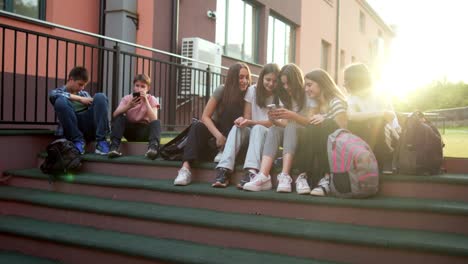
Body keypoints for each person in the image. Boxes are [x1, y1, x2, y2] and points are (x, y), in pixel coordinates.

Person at [243, 64, 318, 193]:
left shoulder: (308, 94)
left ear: (297, 81)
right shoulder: (286, 96)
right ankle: (263, 175)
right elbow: (285, 125)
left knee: (292, 125)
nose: (286, 87)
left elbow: (311, 122)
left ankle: (285, 175)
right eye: (283, 84)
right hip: (291, 135)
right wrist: (274, 121)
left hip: (307, 135)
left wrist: (293, 116)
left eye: (289, 83)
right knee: (273, 129)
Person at [174, 63, 251, 186]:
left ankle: (224, 150)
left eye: (247, 77)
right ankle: (185, 169)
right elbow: (205, 116)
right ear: (232, 78)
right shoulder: (222, 89)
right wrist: (218, 136)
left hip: (238, 136)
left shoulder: (249, 93)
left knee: (232, 109)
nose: (245, 81)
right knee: (197, 126)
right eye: (241, 77)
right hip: (218, 136)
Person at [213, 63, 280, 188]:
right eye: (268, 79)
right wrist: (242, 120)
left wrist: (251, 122)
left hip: (268, 138)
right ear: (262, 78)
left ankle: (251, 171)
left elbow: (272, 123)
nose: (271, 84)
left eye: (275, 81)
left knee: (258, 128)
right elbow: (247, 117)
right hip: (253, 134)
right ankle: (224, 169)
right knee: (238, 127)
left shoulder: (280, 96)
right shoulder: (252, 90)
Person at [295, 69, 348, 196]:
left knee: (324, 124)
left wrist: (325, 119)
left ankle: (326, 178)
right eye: (305, 86)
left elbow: (343, 129)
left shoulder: (336, 102)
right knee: (309, 127)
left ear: (321, 84)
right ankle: (303, 176)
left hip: (338, 148)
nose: (306, 89)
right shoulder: (317, 105)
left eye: (309, 85)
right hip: (321, 148)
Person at [344, 63, 400, 173]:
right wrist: (381, 113)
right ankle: (363, 160)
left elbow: (392, 119)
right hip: (366, 140)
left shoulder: (380, 94)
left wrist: (381, 116)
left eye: (346, 80)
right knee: (357, 123)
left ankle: (385, 159)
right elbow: (351, 116)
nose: (344, 84)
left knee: (376, 122)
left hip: (389, 137)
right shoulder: (351, 97)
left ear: (356, 80)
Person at [49, 66, 110, 155]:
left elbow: (96, 110)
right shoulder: (59, 92)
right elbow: (53, 95)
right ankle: (78, 142)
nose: (82, 88)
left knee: (100, 96)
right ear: (71, 79)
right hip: (73, 130)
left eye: (84, 85)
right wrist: (80, 99)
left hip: (89, 128)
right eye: (80, 84)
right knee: (60, 101)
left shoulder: (84, 94)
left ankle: (101, 142)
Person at [107, 74, 161, 159]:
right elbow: (115, 114)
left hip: (144, 131)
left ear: (148, 89)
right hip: (130, 131)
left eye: (143, 86)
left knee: (157, 122)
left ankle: (153, 149)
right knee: (120, 117)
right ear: (134, 86)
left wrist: (146, 102)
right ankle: (113, 148)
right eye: (137, 85)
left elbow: (154, 119)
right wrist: (128, 106)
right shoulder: (127, 98)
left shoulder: (152, 99)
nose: (139, 88)